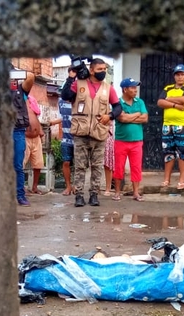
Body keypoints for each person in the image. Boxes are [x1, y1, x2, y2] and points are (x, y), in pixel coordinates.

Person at [61, 58, 123, 207]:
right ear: (92, 69)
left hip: (99, 133)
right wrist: (71, 77)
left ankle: (94, 195)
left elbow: (117, 107)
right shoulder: (78, 83)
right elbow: (66, 96)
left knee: (97, 166)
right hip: (81, 132)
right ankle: (79, 196)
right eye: (100, 69)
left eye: (104, 69)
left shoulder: (108, 88)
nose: (103, 72)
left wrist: (110, 116)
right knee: (80, 166)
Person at [157, 64, 184, 190]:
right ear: (174, 76)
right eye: (178, 74)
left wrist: (168, 99)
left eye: (183, 74)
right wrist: (175, 105)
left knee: (183, 153)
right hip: (167, 125)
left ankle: (182, 179)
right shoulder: (168, 88)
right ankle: (166, 179)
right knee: (168, 152)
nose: (180, 77)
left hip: (183, 125)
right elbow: (160, 102)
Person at [113, 78, 148, 201]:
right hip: (121, 141)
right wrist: (137, 114)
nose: (135, 90)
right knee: (119, 167)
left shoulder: (140, 102)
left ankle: (136, 193)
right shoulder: (118, 103)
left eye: (135, 87)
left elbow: (145, 118)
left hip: (137, 141)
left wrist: (130, 117)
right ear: (125, 89)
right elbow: (122, 118)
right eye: (132, 87)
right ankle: (117, 192)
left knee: (136, 167)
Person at [11, 70, 36, 206]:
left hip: (17, 130)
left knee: (18, 166)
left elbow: (31, 76)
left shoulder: (20, 89)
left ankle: (20, 196)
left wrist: (14, 74)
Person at [24, 95, 45, 195]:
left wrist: (41, 132)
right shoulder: (16, 100)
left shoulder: (31, 100)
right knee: (20, 164)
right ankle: (20, 187)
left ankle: (34, 187)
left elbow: (35, 117)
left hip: (36, 137)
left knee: (38, 163)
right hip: (24, 137)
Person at [55, 95, 74, 195]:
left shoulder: (78, 99)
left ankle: (76, 186)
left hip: (79, 137)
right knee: (66, 162)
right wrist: (52, 122)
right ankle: (68, 186)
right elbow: (61, 117)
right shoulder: (60, 102)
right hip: (66, 137)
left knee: (79, 165)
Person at [104, 121, 115, 195]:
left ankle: (108, 188)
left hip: (108, 137)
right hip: (95, 135)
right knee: (95, 164)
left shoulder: (112, 110)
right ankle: (95, 188)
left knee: (107, 164)